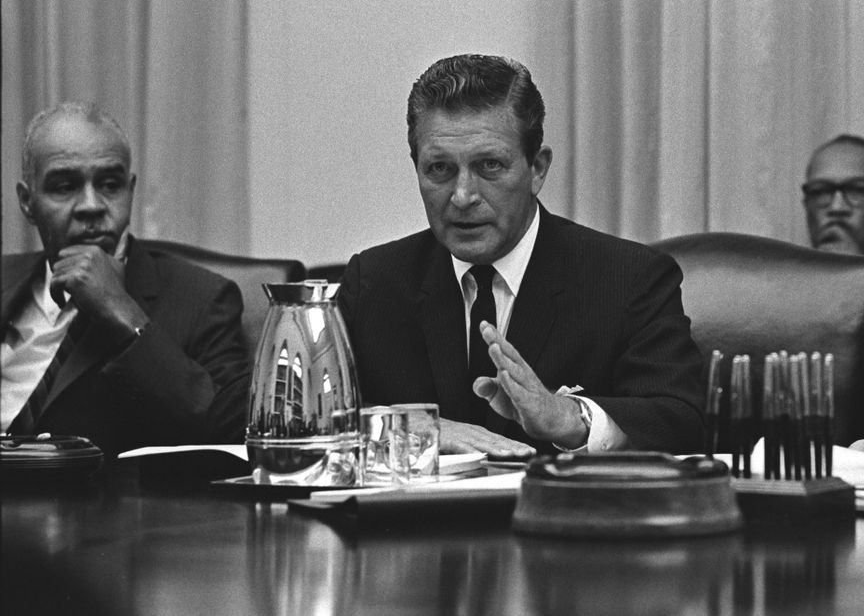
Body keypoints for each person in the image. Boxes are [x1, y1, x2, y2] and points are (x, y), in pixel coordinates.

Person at [338, 54, 705, 457]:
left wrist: (567, 417)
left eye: (489, 165)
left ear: (537, 169)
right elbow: (294, 416)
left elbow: (680, 421)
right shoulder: (372, 283)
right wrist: (406, 429)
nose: (462, 196)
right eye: (439, 169)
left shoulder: (628, 279)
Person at [2, 102, 250, 456]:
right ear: (27, 202)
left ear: (130, 190)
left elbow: (232, 433)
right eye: (64, 186)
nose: (91, 205)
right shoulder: (7, 282)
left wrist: (122, 313)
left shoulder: (203, 299)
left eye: (109, 184)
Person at [802, 135, 864, 256]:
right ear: (806, 203)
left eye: (858, 190)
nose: (836, 207)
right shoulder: (781, 274)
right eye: (820, 191)